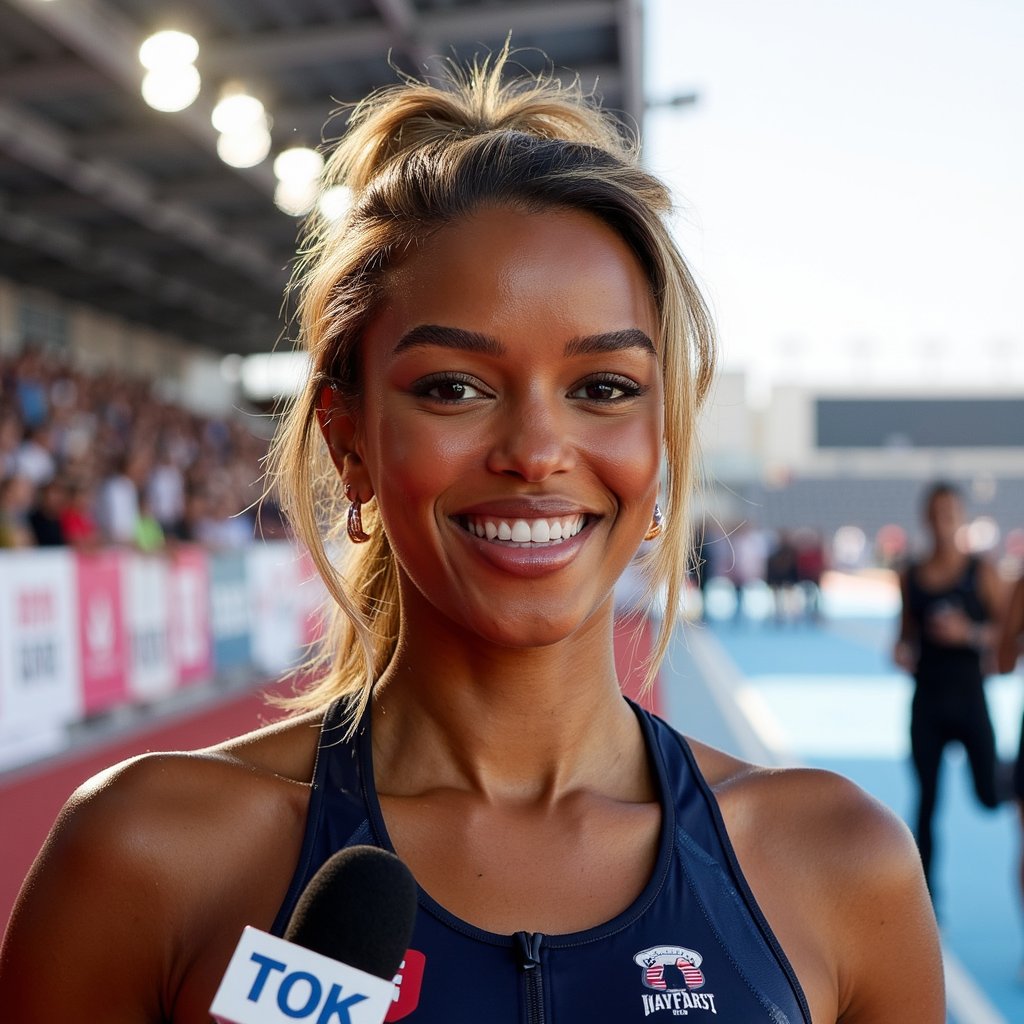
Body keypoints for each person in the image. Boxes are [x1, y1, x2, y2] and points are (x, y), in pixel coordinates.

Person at [0, 54, 942, 1022]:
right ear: (349, 440)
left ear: (660, 443)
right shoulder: (146, 856)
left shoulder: (838, 867)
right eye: (454, 387)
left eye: (603, 389)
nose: (536, 451)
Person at [894, 481, 1004, 900]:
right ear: (926, 519)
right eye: (936, 515)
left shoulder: (983, 572)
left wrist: (968, 632)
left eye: (951, 515)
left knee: (990, 794)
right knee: (926, 804)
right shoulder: (912, 575)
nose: (943, 523)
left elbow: (1006, 637)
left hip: (971, 701)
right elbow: (904, 637)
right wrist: (902, 652)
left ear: (961, 519)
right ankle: (926, 903)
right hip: (929, 704)